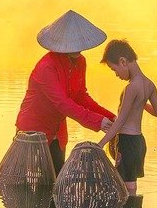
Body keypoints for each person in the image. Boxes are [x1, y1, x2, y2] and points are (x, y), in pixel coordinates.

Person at [14, 10, 114, 172]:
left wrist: (109, 117)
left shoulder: (80, 61)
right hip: (33, 132)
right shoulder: (46, 67)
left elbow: (81, 96)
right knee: (31, 179)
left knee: (56, 179)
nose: (77, 48)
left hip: (58, 132)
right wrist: (97, 121)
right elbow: (63, 103)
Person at [99, 38, 157, 194]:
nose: (116, 75)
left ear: (123, 62)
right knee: (131, 184)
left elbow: (120, 121)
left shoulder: (131, 88)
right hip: (139, 143)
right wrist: (141, 104)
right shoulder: (149, 85)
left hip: (127, 143)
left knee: (122, 188)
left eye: (114, 70)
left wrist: (100, 144)